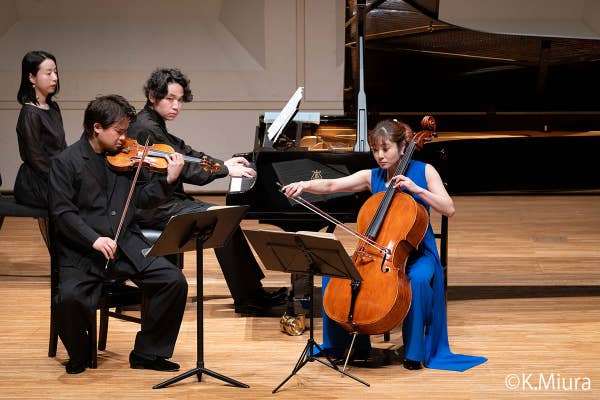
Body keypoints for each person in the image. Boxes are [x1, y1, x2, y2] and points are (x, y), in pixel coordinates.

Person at [282, 119, 487, 371]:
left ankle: (414, 353)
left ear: (402, 147)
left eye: (386, 149)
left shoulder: (425, 171)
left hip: (418, 253)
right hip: (378, 254)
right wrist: (304, 185)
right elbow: (332, 185)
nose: (380, 155)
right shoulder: (373, 176)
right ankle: (347, 345)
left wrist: (417, 190)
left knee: (417, 281)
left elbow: (449, 208)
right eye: (375, 149)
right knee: (334, 275)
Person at [127, 68, 285, 315]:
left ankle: (251, 293)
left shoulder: (152, 122)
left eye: (180, 100)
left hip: (164, 200)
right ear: (152, 96)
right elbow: (187, 169)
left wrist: (222, 164)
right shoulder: (146, 127)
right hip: (151, 207)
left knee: (226, 218)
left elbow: (186, 152)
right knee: (223, 219)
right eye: (170, 98)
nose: (176, 106)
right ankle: (250, 296)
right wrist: (225, 170)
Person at [49, 95, 188, 374]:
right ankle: (79, 353)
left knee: (173, 281)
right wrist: (94, 239)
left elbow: (142, 199)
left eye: (126, 131)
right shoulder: (66, 162)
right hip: (84, 250)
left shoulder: (124, 159)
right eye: (119, 131)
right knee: (68, 299)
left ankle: (148, 353)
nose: (124, 138)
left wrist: (169, 180)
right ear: (97, 127)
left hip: (126, 244)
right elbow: (63, 213)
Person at [15, 50, 67, 208]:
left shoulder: (54, 107)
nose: (55, 78)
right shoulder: (30, 113)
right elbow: (36, 160)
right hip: (36, 183)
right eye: (48, 73)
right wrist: (62, 179)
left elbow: (62, 147)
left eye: (55, 72)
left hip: (56, 175)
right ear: (31, 77)